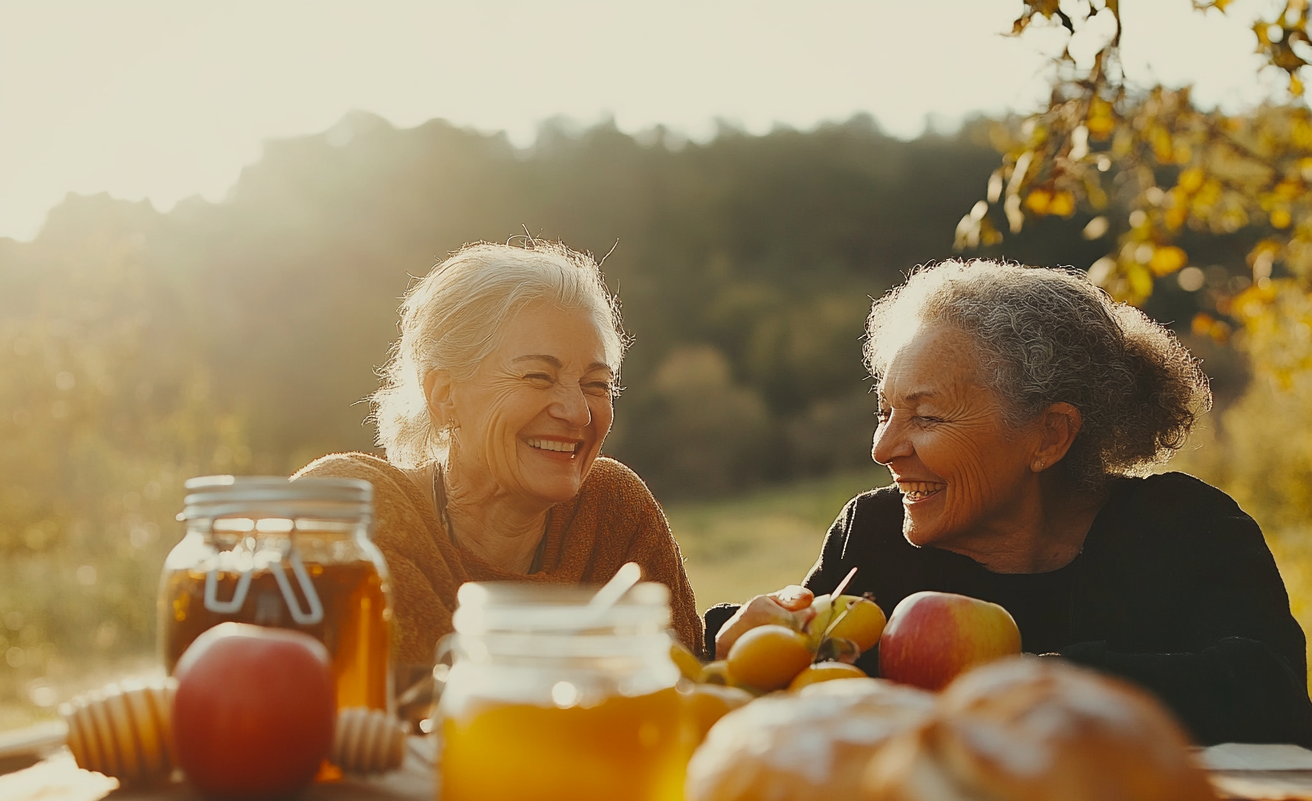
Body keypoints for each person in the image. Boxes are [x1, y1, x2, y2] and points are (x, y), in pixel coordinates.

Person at [707, 259, 1312, 746]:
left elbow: (1269, 696)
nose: (883, 448)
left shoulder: (1185, 530)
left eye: (926, 416)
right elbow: (806, 685)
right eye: (885, 411)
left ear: (1049, 436)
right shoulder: (873, 535)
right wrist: (741, 640)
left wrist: (1010, 676)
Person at [297, 241, 701, 684]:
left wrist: (734, 634)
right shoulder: (354, 516)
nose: (578, 412)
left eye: (596, 384)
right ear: (443, 394)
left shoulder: (615, 512)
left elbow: (688, 689)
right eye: (538, 376)